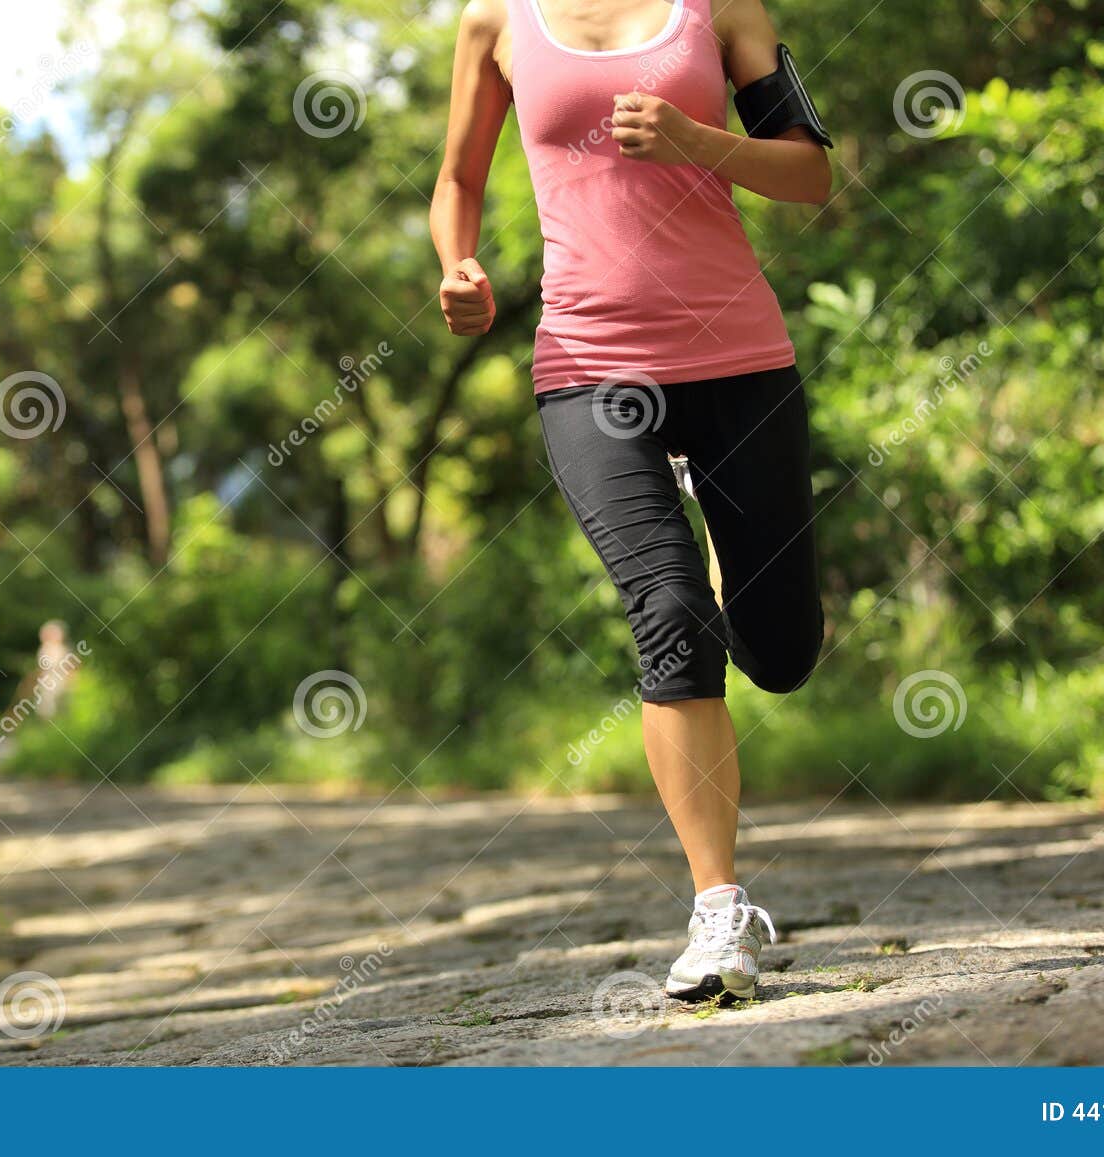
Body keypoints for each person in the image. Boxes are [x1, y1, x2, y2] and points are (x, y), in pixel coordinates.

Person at [431, 0, 830, 1002]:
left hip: (738, 356)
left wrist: (700, 141)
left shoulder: (720, 9)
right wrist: (458, 267)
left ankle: (739, 589)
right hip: (588, 364)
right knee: (667, 610)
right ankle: (717, 912)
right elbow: (456, 180)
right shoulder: (494, 21)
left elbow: (810, 173)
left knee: (780, 650)